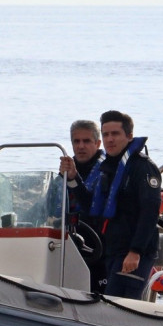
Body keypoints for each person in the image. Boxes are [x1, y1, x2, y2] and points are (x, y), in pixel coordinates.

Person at [72, 110, 161, 299]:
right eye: (106, 135)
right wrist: (73, 179)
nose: (109, 139)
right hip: (112, 250)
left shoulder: (142, 168)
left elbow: (150, 212)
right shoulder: (109, 168)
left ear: (129, 136)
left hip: (133, 253)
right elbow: (93, 207)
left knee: (121, 306)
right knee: (109, 301)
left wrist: (135, 252)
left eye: (115, 134)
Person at [59, 119, 106, 292]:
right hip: (70, 241)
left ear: (97, 143)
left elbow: (93, 205)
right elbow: (54, 200)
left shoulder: (107, 170)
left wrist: (73, 179)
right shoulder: (66, 168)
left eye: (86, 141)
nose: (81, 146)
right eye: (76, 141)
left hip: (99, 243)